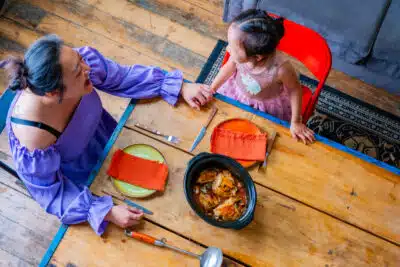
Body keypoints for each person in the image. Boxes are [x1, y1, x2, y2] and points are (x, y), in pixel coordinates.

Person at [0, 34, 213, 235]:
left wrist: (179, 86)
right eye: (78, 71)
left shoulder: (72, 66)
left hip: (110, 137)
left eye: (80, 59)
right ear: (53, 93)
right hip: (85, 178)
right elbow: (52, 194)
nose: (87, 67)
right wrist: (106, 212)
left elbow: (122, 78)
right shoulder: (32, 142)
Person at [210, 9, 315, 144]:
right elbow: (229, 67)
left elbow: (295, 90)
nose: (228, 49)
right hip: (236, 92)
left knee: (257, 137)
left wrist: (296, 122)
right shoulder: (242, 54)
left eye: (234, 49)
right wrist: (212, 88)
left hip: (266, 106)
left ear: (257, 57)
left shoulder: (281, 69)